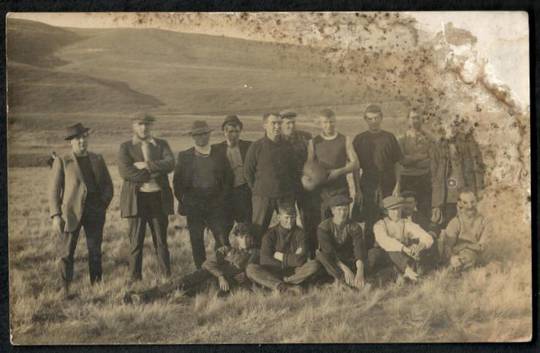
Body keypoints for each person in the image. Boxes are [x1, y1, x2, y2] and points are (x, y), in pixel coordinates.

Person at [49, 123, 113, 295]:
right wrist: (56, 215)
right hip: (71, 213)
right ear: (71, 142)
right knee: (67, 252)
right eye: (78, 139)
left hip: (95, 212)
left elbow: (108, 185)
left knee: (95, 251)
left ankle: (97, 287)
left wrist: (102, 205)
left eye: (85, 137)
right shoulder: (62, 161)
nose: (82, 141)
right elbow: (54, 190)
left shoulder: (97, 159)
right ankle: (66, 289)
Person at [123, 223, 259, 303]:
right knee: (178, 283)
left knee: (181, 296)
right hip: (206, 275)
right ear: (236, 238)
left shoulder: (254, 254)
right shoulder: (226, 249)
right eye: (240, 237)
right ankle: (142, 296)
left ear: (251, 238)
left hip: (221, 286)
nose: (244, 240)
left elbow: (252, 272)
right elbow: (207, 264)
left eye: (246, 237)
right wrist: (221, 275)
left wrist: (243, 276)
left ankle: (145, 298)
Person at [118, 113, 175, 282]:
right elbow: (125, 172)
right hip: (137, 200)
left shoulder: (161, 145)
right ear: (133, 126)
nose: (144, 128)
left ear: (152, 126)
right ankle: (135, 279)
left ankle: (166, 277)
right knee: (136, 242)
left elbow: (170, 163)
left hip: (158, 198)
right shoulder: (126, 147)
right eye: (140, 124)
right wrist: (152, 174)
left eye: (147, 124)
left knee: (161, 242)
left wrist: (146, 165)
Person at [173, 120, 231, 269]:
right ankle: (201, 271)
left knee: (222, 238)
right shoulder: (184, 156)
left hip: (216, 203)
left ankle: (221, 269)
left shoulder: (219, 154)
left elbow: (228, 178)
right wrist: (186, 200)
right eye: (198, 134)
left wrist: (221, 199)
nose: (202, 137)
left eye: (205, 134)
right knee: (197, 240)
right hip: (194, 204)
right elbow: (177, 183)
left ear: (209, 135)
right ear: (193, 137)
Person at [304, 108, 359, 255]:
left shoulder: (345, 139)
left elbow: (355, 164)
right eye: (325, 122)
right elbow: (309, 167)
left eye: (332, 122)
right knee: (324, 224)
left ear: (336, 122)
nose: (329, 125)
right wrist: (311, 178)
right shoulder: (313, 142)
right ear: (320, 124)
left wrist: (338, 172)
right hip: (321, 192)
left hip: (340, 188)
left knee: (342, 223)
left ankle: (347, 256)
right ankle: (326, 258)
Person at [353, 104, 403, 248]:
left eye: (376, 118)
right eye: (370, 119)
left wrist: (397, 186)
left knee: (390, 220)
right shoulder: (359, 139)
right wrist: (358, 190)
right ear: (365, 120)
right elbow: (356, 168)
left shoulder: (389, 138)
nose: (373, 121)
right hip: (368, 185)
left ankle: (391, 254)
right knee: (370, 221)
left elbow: (397, 164)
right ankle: (370, 255)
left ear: (381, 118)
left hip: (388, 184)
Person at [244, 112, 298, 244]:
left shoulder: (288, 147)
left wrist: (290, 192)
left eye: (279, 123)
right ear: (265, 125)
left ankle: (288, 262)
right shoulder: (256, 147)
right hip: (263, 197)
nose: (277, 127)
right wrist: (258, 190)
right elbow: (248, 172)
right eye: (273, 123)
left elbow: (294, 171)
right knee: (257, 232)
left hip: (285, 196)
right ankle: (256, 262)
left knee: (289, 231)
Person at [246, 204, 320, 294]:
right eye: (286, 218)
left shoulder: (301, 234)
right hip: (273, 271)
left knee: (314, 264)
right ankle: (286, 286)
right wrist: (291, 259)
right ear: (279, 217)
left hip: (294, 272)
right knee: (251, 269)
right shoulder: (269, 234)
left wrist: (280, 256)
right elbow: (265, 260)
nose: (290, 221)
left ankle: (281, 285)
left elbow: (300, 259)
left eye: (293, 218)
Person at [429, 116, 485, 227]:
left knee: (468, 221)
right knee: (449, 221)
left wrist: (479, 188)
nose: (451, 128)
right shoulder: (437, 146)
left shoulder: (468, 144)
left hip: (465, 188)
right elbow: (434, 174)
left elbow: (477, 166)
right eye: (448, 125)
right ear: (443, 127)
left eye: (454, 125)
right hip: (447, 192)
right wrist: (436, 201)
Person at [368, 196, 434, 282]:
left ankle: (403, 273)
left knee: (420, 251)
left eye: (398, 209)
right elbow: (384, 241)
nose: (396, 213)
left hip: (401, 258)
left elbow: (426, 237)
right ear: (386, 211)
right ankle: (406, 271)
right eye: (393, 210)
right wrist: (404, 248)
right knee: (384, 251)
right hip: (384, 257)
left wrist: (421, 246)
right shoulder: (380, 224)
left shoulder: (405, 223)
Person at [211, 115, 252, 240]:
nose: (233, 135)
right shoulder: (215, 149)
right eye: (230, 131)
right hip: (225, 197)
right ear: (224, 132)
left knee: (247, 231)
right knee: (223, 233)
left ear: (240, 131)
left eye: (236, 131)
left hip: (244, 194)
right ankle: (223, 256)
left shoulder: (249, 146)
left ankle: (247, 256)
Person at [315, 195, 367, 289]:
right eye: (339, 209)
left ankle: (351, 279)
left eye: (345, 209)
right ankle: (346, 281)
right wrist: (345, 269)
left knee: (372, 255)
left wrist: (360, 270)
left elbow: (358, 248)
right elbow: (328, 251)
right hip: (334, 262)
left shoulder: (354, 227)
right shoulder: (323, 227)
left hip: (349, 259)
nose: (342, 213)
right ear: (333, 211)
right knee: (320, 254)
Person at [280, 109, 312, 237]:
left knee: (308, 216)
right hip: (286, 186)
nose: (291, 126)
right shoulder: (277, 140)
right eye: (287, 123)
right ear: (281, 124)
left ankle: (311, 250)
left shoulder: (305, 137)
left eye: (293, 122)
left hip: (304, 183)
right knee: (288, 217)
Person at [438, 190, 488, 272]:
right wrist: (452, 258)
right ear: (459, 204)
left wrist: (466, 245)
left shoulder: (484, 221)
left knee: (469, 257)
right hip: (456, 255)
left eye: (473, 202)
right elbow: (448, 246)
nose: (470, 206)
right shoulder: (456, 222)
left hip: (475, 255)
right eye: (465, 203)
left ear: (477, 202)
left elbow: (482, 247)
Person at [398, 108, 432, 218]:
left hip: (424, 177)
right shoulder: (402, 138)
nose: (415, 120)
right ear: (408, 119)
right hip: (407, 178)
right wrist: (420, 157)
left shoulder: (428, 138)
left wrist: (411, 160)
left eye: (418, 117)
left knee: (425, 208)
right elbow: (402, 160)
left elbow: (430, 161)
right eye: (413, 118)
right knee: (406, 208)